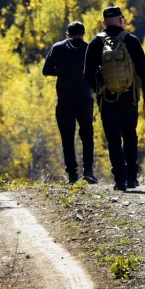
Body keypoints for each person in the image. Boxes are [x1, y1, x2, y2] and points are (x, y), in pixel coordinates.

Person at [83, 4, 145, 191]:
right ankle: (132, 177)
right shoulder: (131, 40)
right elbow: (143, 71)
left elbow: (87, 73)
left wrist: (99, 90)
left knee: (113, 137)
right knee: (130, 135)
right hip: (129, 97)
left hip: (107, 99)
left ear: (104, 22)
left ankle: (119, 180)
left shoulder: (96, 43)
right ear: (121, 20)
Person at [43, 20, 97, 184]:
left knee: (67, 136)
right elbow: (97, 72)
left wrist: (61, 73)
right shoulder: (89, 48)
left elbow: (46, 70)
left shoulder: (57, 48)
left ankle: (72, 174)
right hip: (84, 98)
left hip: (65, 99)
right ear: (83, 33)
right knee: (87, 135)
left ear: (67, 34)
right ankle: (87, 170)